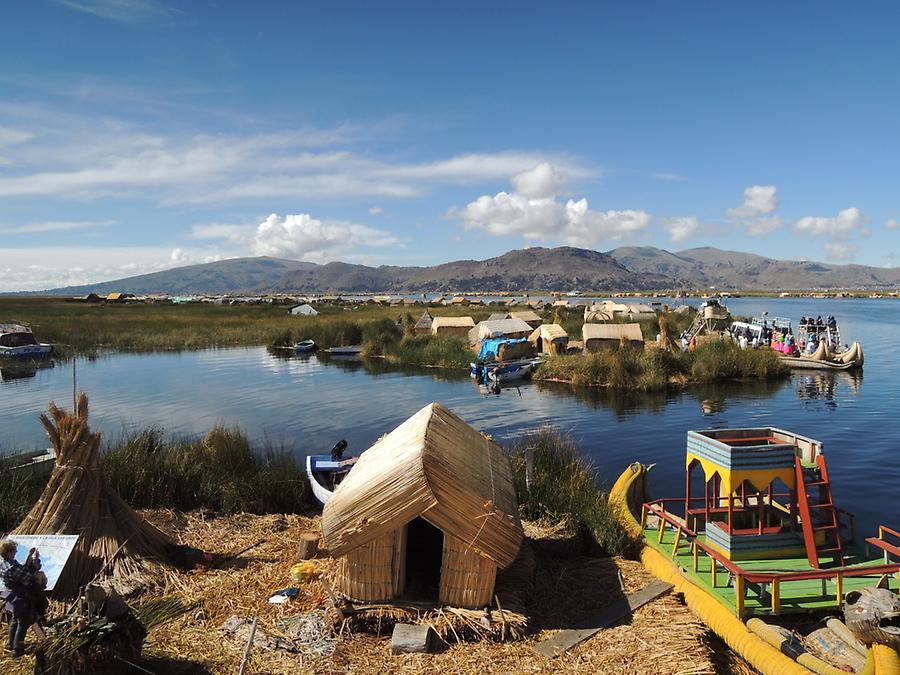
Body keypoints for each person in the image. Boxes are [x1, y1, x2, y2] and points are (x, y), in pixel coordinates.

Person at [1, 539, 41, 657]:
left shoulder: (4, 563)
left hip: (12, 596)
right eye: (14, 550)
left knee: (15, 619)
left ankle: (11, 644)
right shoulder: (11, 567)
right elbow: (28, 576)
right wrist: (35, 565)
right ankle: (18, 650)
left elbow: (21, 568)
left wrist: (29, 556)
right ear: (8, 552)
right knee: (23, 622)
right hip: (20, 596)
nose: (16, 551)